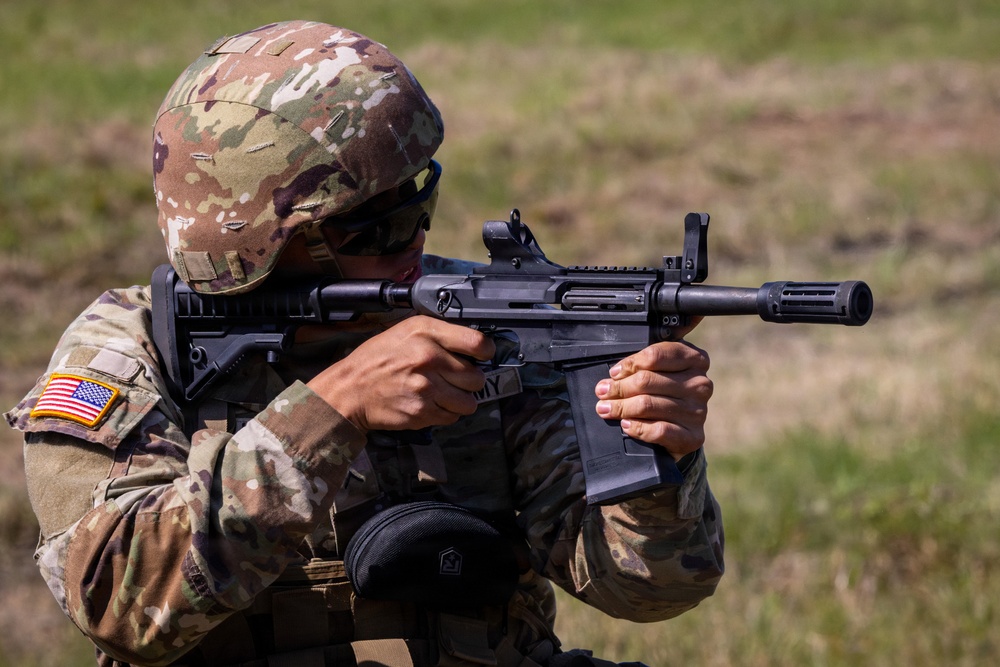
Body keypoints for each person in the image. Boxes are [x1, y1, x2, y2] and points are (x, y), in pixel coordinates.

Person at [5, 20, 723, 667]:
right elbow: (120, 606)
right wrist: (333, 411)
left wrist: (658, 461)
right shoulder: (131, 350)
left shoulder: (480, 324)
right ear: (252, 246)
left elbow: (647, 590)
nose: (413, 245)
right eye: (373, 230)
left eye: (419, 207)